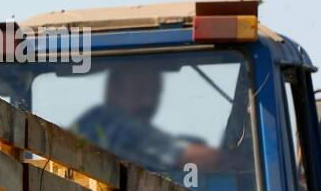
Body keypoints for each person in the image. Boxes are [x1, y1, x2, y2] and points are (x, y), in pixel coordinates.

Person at [73, 63, 223, 173]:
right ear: (113, 91)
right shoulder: (110, 123)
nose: (148, 101)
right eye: (139, 90)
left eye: (155, 92)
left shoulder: (90, 124)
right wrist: (238, 160)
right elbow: (185, 157)